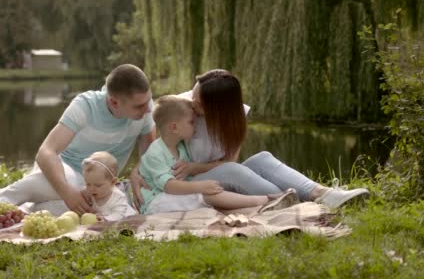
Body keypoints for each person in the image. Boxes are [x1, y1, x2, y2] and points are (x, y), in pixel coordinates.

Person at [130, 69, 369, 211]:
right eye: (193, 95)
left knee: (262, 158)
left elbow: (229, 160)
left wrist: (197, 166)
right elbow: (156, 142)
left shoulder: (235, 117)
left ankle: (323, 194)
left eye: (199, 102)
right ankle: (286, 201)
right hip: (191, 182)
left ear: (219, 108)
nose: (193, 103)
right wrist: (136, 171)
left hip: (210, 173)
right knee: (234, 171)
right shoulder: (183, 108)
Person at [0, 64, 156, 215]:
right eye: (139, 106)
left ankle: (17, 202)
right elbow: (46, 153)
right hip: (64, 170)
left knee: (86, 210)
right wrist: (68, 193)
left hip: (97, 184)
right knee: (66, 195)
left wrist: (138, 171)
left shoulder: (145, 108)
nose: (147, 109)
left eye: (148, 101)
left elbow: (149, 151)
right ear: (114, 102)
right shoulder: (85, 105)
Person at [138, 95, 296, 215]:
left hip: (175, 193)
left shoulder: (180, 147)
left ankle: (264, 202)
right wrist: (199, 186)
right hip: (157, 200)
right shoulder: (156, 152)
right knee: (207, 195)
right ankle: (264, 201)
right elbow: (169, 186)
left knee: (208, 194)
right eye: (192, 122)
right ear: (174, 127)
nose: (196, 126)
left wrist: (200, 185)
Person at [28, 151, 137, 222]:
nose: (92, 189)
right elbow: (83, 198)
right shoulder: (90, 191)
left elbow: (119, 215)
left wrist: (106, 219)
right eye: (88, 184)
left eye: (98, 185)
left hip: (122, 218)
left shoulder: (118, 198)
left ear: (113, 182)